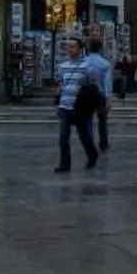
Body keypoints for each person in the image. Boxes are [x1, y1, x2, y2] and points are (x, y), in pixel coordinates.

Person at [54, 35, 102, 173]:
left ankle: (92, 155)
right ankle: (64, 165)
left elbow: (93, 85)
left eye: (73, 46)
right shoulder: (62, 66)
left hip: (80, 107)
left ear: (80, 49)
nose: (70, 49)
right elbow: (61, 84)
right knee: (63, 138)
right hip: (65, 106)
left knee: (84, 135)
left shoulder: (86, 67)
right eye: (68, 46)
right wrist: (58, 100)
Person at [80, 32, 114, 155]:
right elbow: (107, 82)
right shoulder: (105, 64)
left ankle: (89, 141)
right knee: (102, 120)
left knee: (87, 119)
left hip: (86, 92)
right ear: (100, 48)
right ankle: (103, 143)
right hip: (100, 94)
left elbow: (81, 78)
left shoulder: (83, 62)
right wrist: (109, 97)